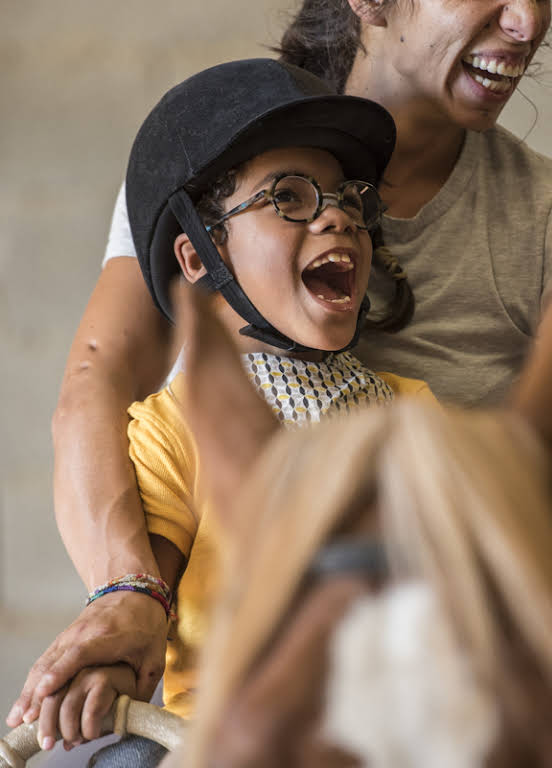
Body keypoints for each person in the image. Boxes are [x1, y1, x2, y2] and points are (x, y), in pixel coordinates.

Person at [6, 0, 552, 764]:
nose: (527, 18)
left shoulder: (456, 358)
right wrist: (131, 597)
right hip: (240, 685)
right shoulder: (202, 162)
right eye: (290, 200)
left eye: (351, 204)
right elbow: (93, 385)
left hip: (465, 647)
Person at [22, 57, 434, 763]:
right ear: (198, 256)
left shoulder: (418, 415)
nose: (337, 213)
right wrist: (108, 664)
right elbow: (145, 603)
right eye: (290, 198)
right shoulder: (169, 430)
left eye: (347, 199)